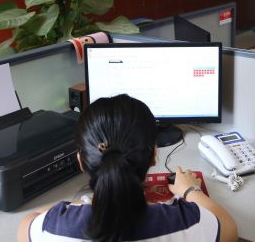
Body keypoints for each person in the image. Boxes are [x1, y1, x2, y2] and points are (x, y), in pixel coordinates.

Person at [18, 94, 238, 242]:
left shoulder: (50, 228)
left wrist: (81, 202)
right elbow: (228, 227)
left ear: (81, 161)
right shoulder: (187, 222)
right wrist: (190, 190)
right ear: (154, 155)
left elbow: (28, 222)